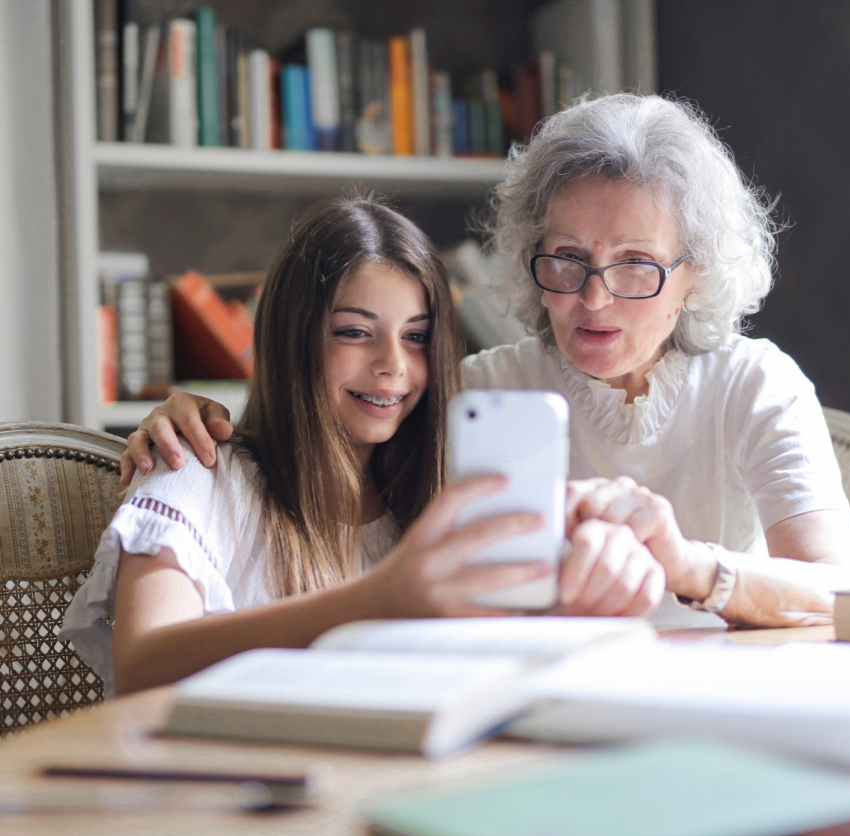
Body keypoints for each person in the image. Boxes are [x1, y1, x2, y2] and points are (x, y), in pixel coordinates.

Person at [120, 94, 850, 629]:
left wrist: (688, 564)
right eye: (568, 259)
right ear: (528, 253)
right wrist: (192, 418)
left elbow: (845, 593)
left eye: (637, 265)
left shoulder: (754, 382)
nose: (594, 299)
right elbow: (325, 443)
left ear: (695, 274)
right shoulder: (475, 392)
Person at [61, 196, 664, 697]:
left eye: (417, 338)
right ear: (292, 338)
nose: (393, 368)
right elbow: (142, 665)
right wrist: (379, 599)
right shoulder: (195, 471)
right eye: (354, 333)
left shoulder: (434, 502)